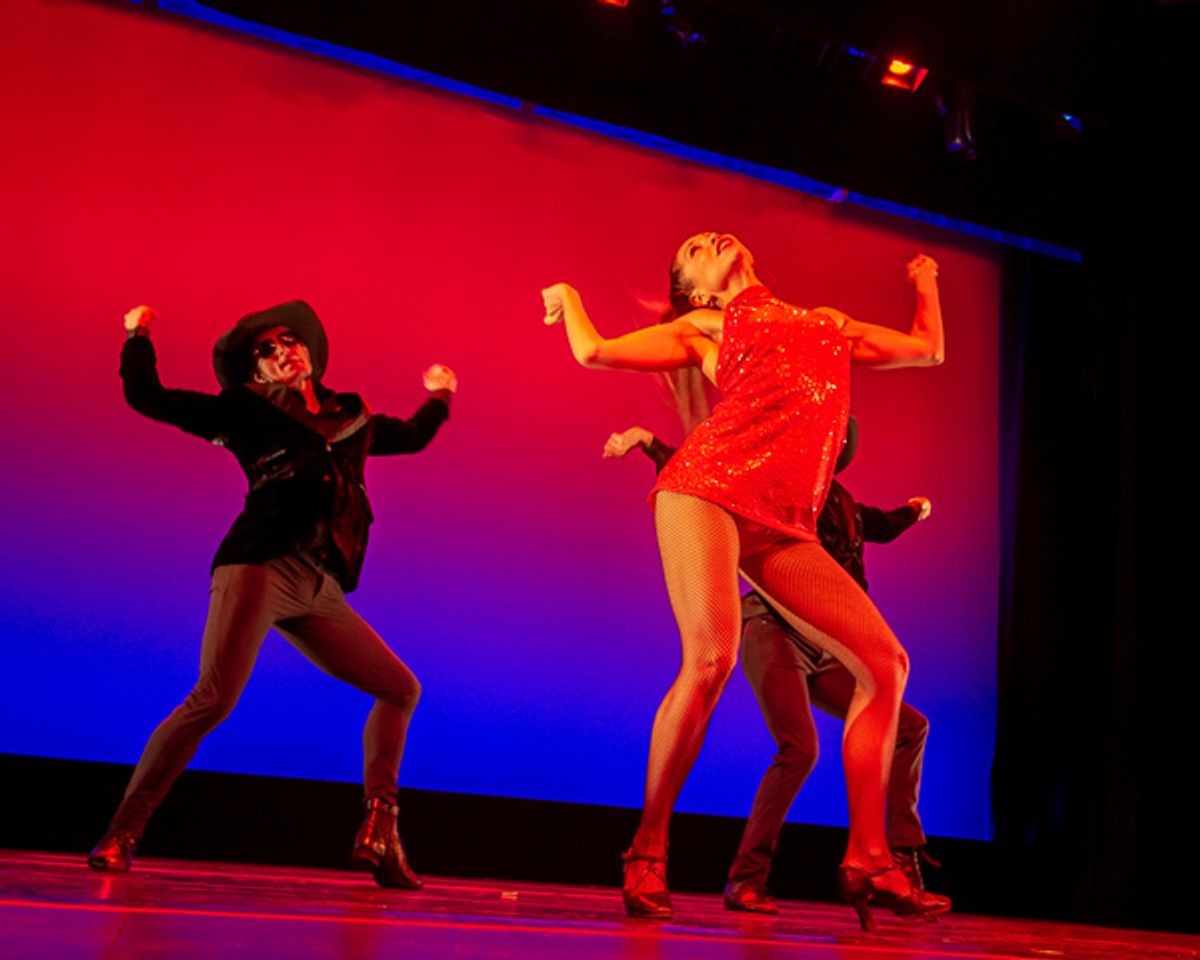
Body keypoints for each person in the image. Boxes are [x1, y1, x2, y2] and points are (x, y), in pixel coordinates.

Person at [542, 233, 949, 929]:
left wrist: (927, 280)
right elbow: (595, 351)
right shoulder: (706, 325)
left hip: (784, 521)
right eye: (695, 246)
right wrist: (570, 299)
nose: (712, 237)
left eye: (711, 235)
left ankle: (870, 857)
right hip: (704, 489)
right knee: (711, 659)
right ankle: (647, 848)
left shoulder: (827, 323)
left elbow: (927, 348)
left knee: (887, 664)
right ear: (696, 288)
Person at [88, 301, 455, 890]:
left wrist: (439, 398)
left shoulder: (351, 416)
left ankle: (381, 829)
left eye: (290, 341)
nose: (285, 350)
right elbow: (148, 397)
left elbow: (409, 437)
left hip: (321, 585)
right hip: (259, 566)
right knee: (213, 699)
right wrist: (137, 334)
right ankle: (122, 833)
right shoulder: (244, 410)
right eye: (267, 350)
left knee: (399, 688)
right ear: (255, 372)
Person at [603, 418, 937, 915]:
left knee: (908, 723)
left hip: (824, 646)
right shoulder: (778, 488)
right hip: (775, 632)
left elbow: (883, 525)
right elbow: (701, 475)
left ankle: (896, 857)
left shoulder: (843, 502)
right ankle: (745, 880)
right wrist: (648, 442)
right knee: (799, 748)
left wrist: (914, 510)